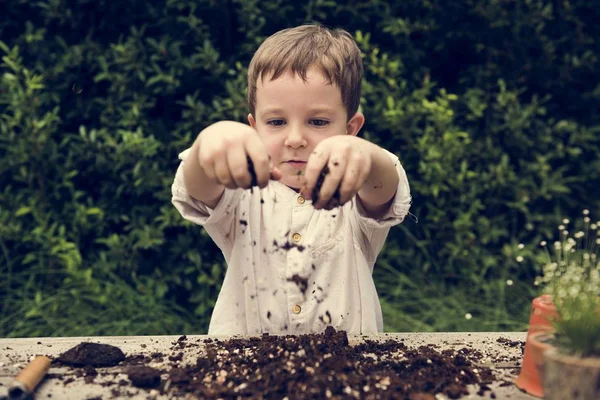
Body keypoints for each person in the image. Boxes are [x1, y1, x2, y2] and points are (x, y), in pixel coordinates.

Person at [171, 24, 412, 335]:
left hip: (348, 372)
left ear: (351, 129)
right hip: (244, 371)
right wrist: (209, 142)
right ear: (254, 127)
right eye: (277, 121)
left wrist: (365, 156)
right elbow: (199, 187)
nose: (295, 138)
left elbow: (383, 185)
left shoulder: (354, 192)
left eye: (317, 121)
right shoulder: (241, 192)